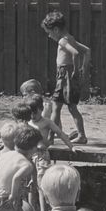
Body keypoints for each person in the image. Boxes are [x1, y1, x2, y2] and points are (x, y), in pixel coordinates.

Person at [41, 10, 90, 144]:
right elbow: (87, 51)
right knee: (70, 107)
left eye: (49, 33)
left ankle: (50, 138)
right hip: (67, 76)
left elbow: (75, 53)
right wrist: (83, 70)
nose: (49, 36)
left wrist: (74, 70)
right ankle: (81, 135)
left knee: (56, 107)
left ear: (56, 29)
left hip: (64, 76)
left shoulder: (62, 41)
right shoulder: (71, 38)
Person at [25, 94, 76, 211]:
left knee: (41, 183)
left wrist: (71, 146)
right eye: (30, 114)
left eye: (35, 113)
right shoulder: (27, 122)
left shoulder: (46, 122)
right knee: (30, 184)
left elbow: (60, 133)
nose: (33, 116)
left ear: (41, 109)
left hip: (41, 155)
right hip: (29, 156)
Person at [0, 125, 42, 211]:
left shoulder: (5, 154)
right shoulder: (27, 164)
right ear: (33, 148)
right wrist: (13, 197)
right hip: (3, 195)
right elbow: (16, 178)